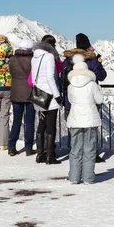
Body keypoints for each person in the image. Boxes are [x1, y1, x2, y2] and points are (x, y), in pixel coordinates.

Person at [61, 33, 108, 163]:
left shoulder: (67, 61)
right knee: (90, 129)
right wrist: (99, 64)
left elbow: (62, 81)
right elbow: (102, 76)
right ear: (87, 46)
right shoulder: (91, 61)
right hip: (89, 101)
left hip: (71, 100)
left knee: (74, 130)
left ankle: (75, 154)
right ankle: (92, 154)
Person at [66, 54, 104, 184]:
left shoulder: (70, 86)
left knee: (75, 149)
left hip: (75, 119)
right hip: (90, 119)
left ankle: (74, 177)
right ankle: (88, 177)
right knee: (89, 148)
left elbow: (70, 100)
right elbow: (99, 100)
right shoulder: (92, 85)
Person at [31, 34, 63, 165]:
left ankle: (40, 154)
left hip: (39, 94)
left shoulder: (35, 57)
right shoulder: (49, 57)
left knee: (41, 123)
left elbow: (33, 78)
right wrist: (57, 96)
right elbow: (51, 78)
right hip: (50, 95)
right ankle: (50, 156)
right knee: (51, 126)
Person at [7, 39, 36, 156]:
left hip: (15, 92)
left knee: (16, 121)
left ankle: (11, 146)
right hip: (30, 92)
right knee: (29, 121)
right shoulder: (33, 60)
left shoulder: (12, 59)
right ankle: (28, 147)